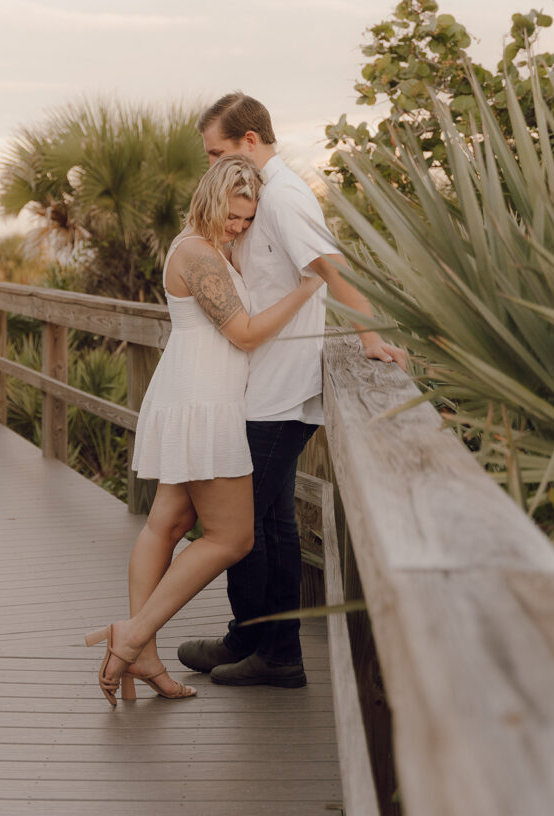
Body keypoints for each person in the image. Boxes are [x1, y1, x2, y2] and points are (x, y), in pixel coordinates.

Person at [178, 92, 406, 688]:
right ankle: (250, 637)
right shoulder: (263, 195)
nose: (212, 165)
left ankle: (274, 653)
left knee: (241, 527)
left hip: (280, 389)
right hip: (263, 388)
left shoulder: (284, 196)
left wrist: (371, 335)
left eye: (218, 152)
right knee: (269, 523)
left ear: (250, 141)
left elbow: (331, 265)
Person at [85, 154, 324, 706]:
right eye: (233, 216)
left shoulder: (205, 245)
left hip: (191, 391)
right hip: (203, 400)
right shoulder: (197, 253)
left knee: (165, 524)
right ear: (210, 200)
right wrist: (306, 290)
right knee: (232, 537)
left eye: (248, 219)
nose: (239, 227)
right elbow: (242, 333)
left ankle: (141, 652)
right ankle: (136, 634)